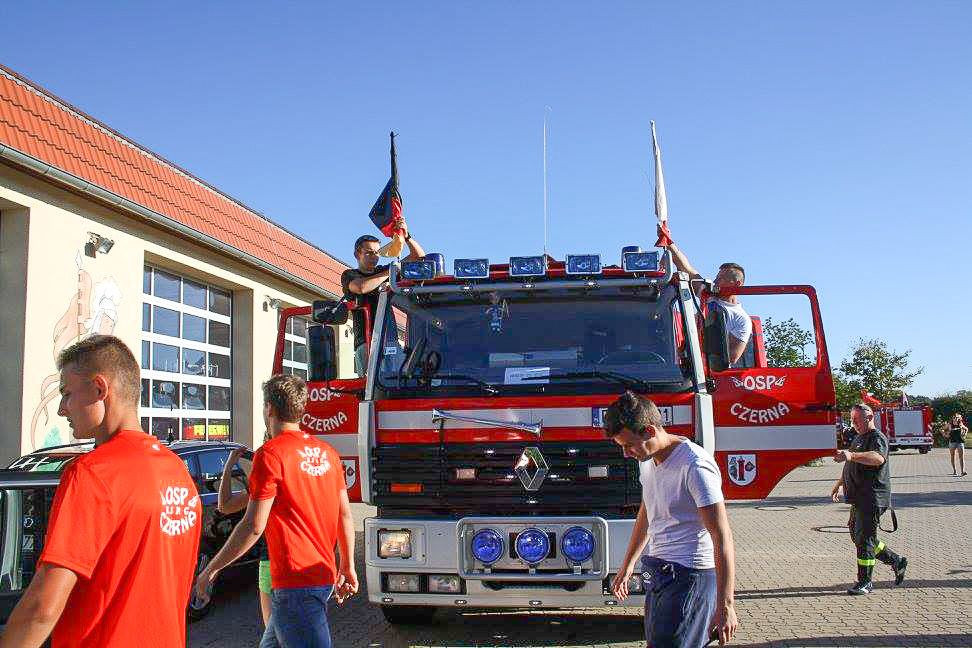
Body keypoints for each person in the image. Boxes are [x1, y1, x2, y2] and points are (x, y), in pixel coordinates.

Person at [0, 335, 201, 648]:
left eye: (66, 394)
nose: (61, 410)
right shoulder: (177, 471)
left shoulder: (94, 472)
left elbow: (42, 608)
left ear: (99, 389)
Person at [195, 375, 356, 648]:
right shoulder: (328, 454)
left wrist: (211, 569)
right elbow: (344, 515)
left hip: (295, 582)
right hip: (321, 575)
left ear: (269, 408)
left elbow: (253, 526)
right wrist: (347, 565)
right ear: (301, 409)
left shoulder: (269, 455)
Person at [604, 391, 738, 647]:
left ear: (650, 431)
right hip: (660, 571)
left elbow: (722, 536)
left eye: (628, 445)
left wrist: (726, 605)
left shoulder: (694, 466)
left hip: (691, 576)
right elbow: (648, 510)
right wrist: (628, 564)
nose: (626, 453)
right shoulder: (648, 460)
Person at [830, 403, 908, 595]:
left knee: (864, 540)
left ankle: (865, 582)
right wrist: (839, 484)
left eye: (857, 419)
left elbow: (877, 458)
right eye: (852, 419)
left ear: (869, 417)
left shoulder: (876, 438)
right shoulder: (859, 437)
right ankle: (896, 560)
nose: (853, 423)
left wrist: (851, 455)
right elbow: (851, 463)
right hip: (858, 497)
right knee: (859, 537)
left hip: (872, 497)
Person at [659, 227, 752, 365]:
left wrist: (709, 336)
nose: (715, 281)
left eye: (720, 278)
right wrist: (669, 243)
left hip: (711, 374)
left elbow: (732, 356)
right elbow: (687, 269)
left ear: (737, 284)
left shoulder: (741, 319)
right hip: (687, 366)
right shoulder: (708, 296)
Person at [216, 441, 276, 645]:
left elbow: (225, 506)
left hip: (272, 561)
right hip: (308, 565)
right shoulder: (306, 472)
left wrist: (229, 465)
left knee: (272, 634)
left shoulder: (266, 481)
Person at [342, 229, 426, 374]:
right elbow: (361, 287)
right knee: (371, 387)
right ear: (357, 254)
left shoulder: (384, 270)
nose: (374, 256)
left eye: (377, 252)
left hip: (391, 340)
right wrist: (390, 272)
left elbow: (419, 257)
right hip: (367, 342)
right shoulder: (350, 275)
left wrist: (406, 236)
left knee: (399, 381)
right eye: (369, 252)